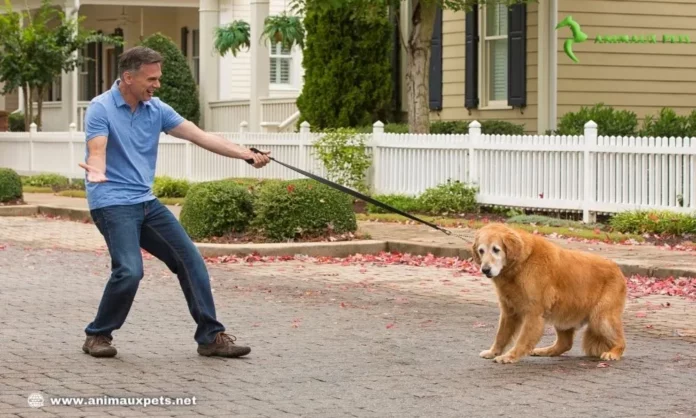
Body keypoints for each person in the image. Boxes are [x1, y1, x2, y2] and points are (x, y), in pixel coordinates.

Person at [78, 46, 270, 358]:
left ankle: (210, 337)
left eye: (158, 78)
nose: (156, 85)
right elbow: (97, 148)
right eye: (150, 79)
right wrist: (96, 169)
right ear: (128, 77)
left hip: (145, 202)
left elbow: (201, 136)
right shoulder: (101, 108)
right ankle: (98, 335)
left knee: (190, 260)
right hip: (112, 201)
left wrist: (246, 154)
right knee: (129, 270)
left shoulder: (156, 109)